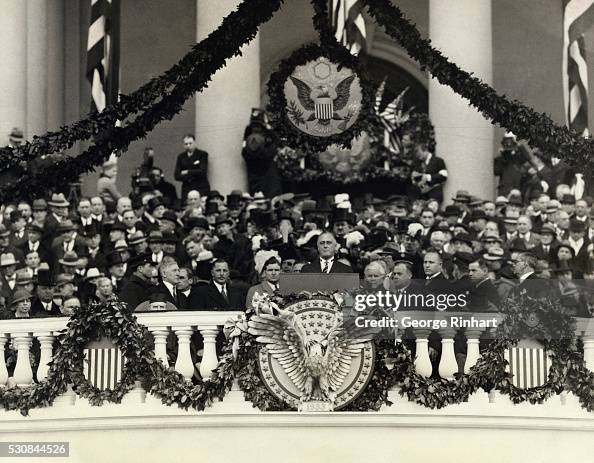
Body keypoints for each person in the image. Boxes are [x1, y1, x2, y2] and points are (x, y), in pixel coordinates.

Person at [174, 134, 210, 200]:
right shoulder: (181, 157)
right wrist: (194, 171)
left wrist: (187, 172)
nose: (188, 146)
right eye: (186, 144)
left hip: (201, 187)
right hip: (187, 188)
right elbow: (177, 175)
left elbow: (202, 171)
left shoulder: (202, 154)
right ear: (183, 145)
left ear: (195, 143)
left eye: (190, 143)